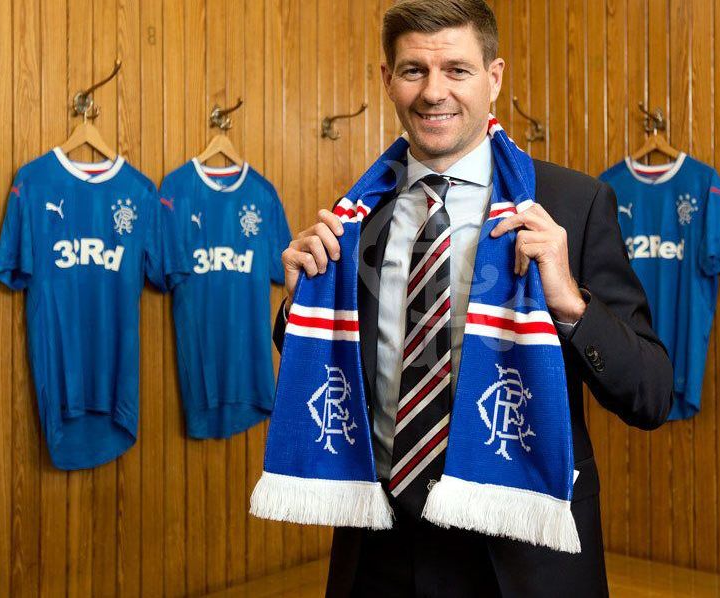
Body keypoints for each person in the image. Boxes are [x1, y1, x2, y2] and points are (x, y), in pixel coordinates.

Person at [272, 1, 673, 595]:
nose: (434, 92)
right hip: (381, 546)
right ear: (387, 80)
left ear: (494, 77)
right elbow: (334, 369)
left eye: (457, 70)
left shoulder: (572, 204)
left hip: (521, 555)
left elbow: (651, 394)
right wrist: (300, 307)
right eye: (413, 70)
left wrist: (571, 304)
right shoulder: (356, 214)